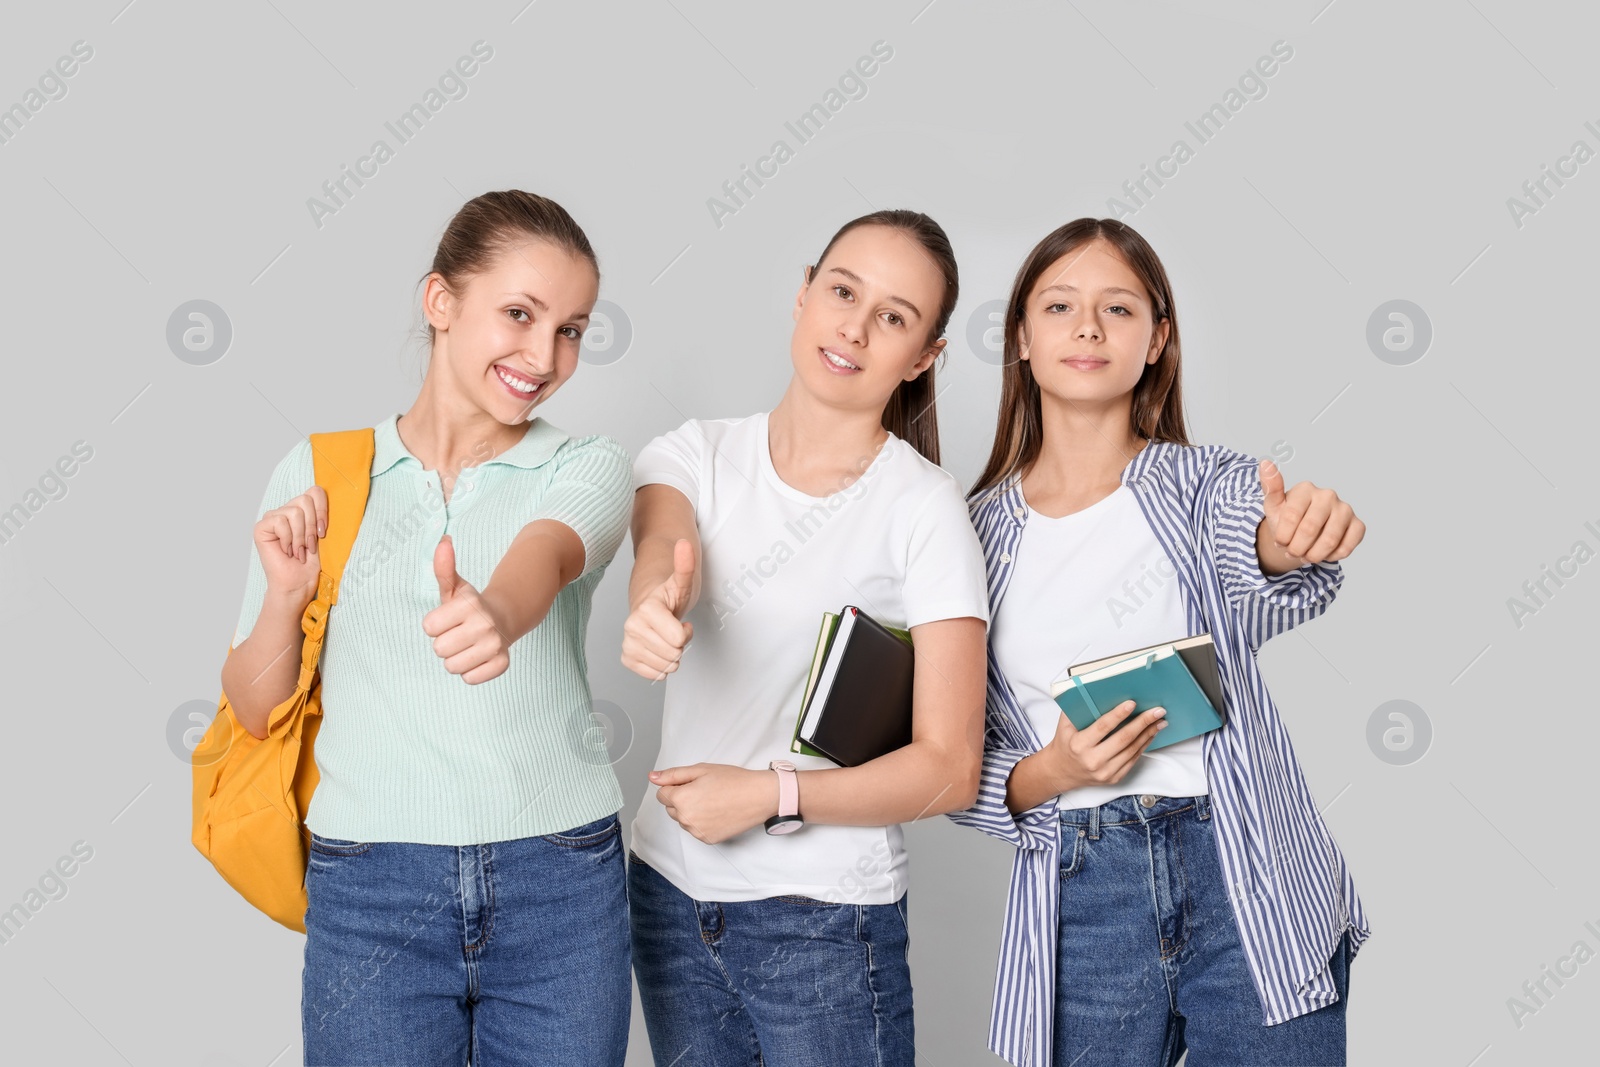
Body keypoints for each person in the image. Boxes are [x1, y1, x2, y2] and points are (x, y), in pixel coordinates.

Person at [220, 190, 634, 1065]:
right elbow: (256, 709)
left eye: (571, 329)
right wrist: (285, 598)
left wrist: (497, 612)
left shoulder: (587, 463)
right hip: (370, 883)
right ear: (440, 302)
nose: (544, 354)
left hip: (560, 880)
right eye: (519, 314)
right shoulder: (323, 472)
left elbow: (550, 551)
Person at [952, 217, 1369, 1066]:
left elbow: (1252, 546)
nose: (1089, 327)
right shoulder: (970, 536)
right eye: (1060, 304)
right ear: (1022, 339)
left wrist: (1287, 539)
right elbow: (944, 755)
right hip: (1082, 895)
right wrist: (1052, 772)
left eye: (1119, 307)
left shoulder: (1205, 482)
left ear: (1158, 340)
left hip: (1247, 878)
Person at [619, 209, 989, 1066]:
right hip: (668, 897)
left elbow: (951, 767)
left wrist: (770, 793)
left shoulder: (923, 509)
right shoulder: (696, 452)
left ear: (924, 355)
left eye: (893, 317)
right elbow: (664, 549)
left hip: (824, 921)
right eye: (842, 290)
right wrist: (655, 604)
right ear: (803, 293)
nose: (854, 327)